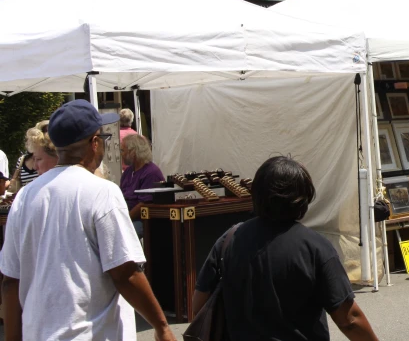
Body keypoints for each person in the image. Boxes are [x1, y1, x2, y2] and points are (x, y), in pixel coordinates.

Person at [0, 99, 175, 341]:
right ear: (94, 143)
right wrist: (162, 327)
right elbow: (125, 273)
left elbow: (10, 281)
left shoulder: (25, 197)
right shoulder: (102, 192)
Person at [193, 156, 378, 341]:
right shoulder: (315, 247)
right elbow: (349, 320)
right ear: (303, 198)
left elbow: (199, 305)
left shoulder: (229, 240)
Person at [120, 134, 165, 237]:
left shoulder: (151, 172)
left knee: (124, 235)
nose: (121, 154)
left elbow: (143, 204)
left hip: (144, 220)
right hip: (129, 216)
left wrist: (125, 220)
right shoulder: (128, 171)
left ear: (133, 152)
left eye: (123, 150)